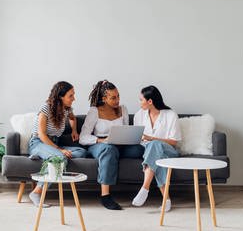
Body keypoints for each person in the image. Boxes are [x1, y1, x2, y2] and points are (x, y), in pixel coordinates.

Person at [79, 80, 144, 210]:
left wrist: (130, 138)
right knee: (109, 149)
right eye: (113, 98)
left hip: (120, 144)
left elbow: (126, 129)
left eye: (118, 96)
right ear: (104, 98)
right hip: (100, 144)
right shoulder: (94, 111)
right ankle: (105, 196)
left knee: (139, 149)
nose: (117, 100)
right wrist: (102, 140)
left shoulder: (122, 109)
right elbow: (83, 137)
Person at [28, 81, 87, 207]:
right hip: (39, 142)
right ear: (61, 96)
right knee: (59, 158)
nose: (74, 98)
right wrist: (59, 151)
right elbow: (42, 135)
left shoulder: (67, 109)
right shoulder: (46, 108)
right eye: (70, 95)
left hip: (54, 143)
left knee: (82, 152)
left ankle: (46, 155)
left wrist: (74, 130)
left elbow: (72, 118)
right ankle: (36, 192)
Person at [132, 85, 181, 212]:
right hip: (148, 150)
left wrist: (152, 139)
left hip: (169, 150)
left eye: (141, 99)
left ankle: (145, 188)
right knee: (158, 158)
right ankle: (167, 200)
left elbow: (174, 142)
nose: (139, 102)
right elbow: (138, 138)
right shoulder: (139, 115)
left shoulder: (170, 115)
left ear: (150, 101)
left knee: (155, 145)